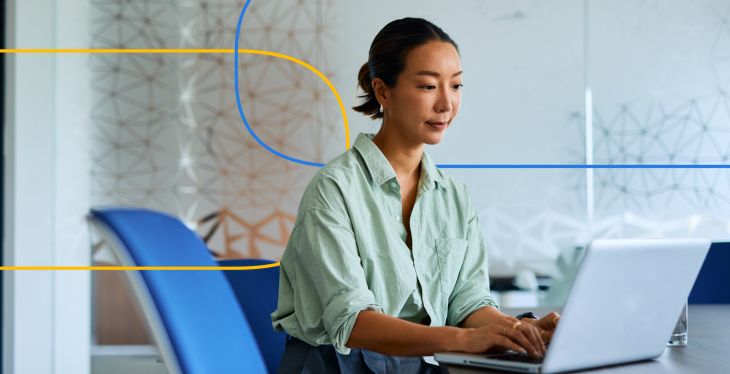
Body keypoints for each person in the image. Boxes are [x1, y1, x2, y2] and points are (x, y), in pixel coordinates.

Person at [272, 17, 560, 374]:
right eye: (427, 86)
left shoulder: (454, 196)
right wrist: (463, 340)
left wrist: (517, 330)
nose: (446, 104)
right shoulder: (333, 190)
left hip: (412, 366)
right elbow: (353, 322)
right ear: (382, 92)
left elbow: (467, 302)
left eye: (456, 86)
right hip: (333, 366)